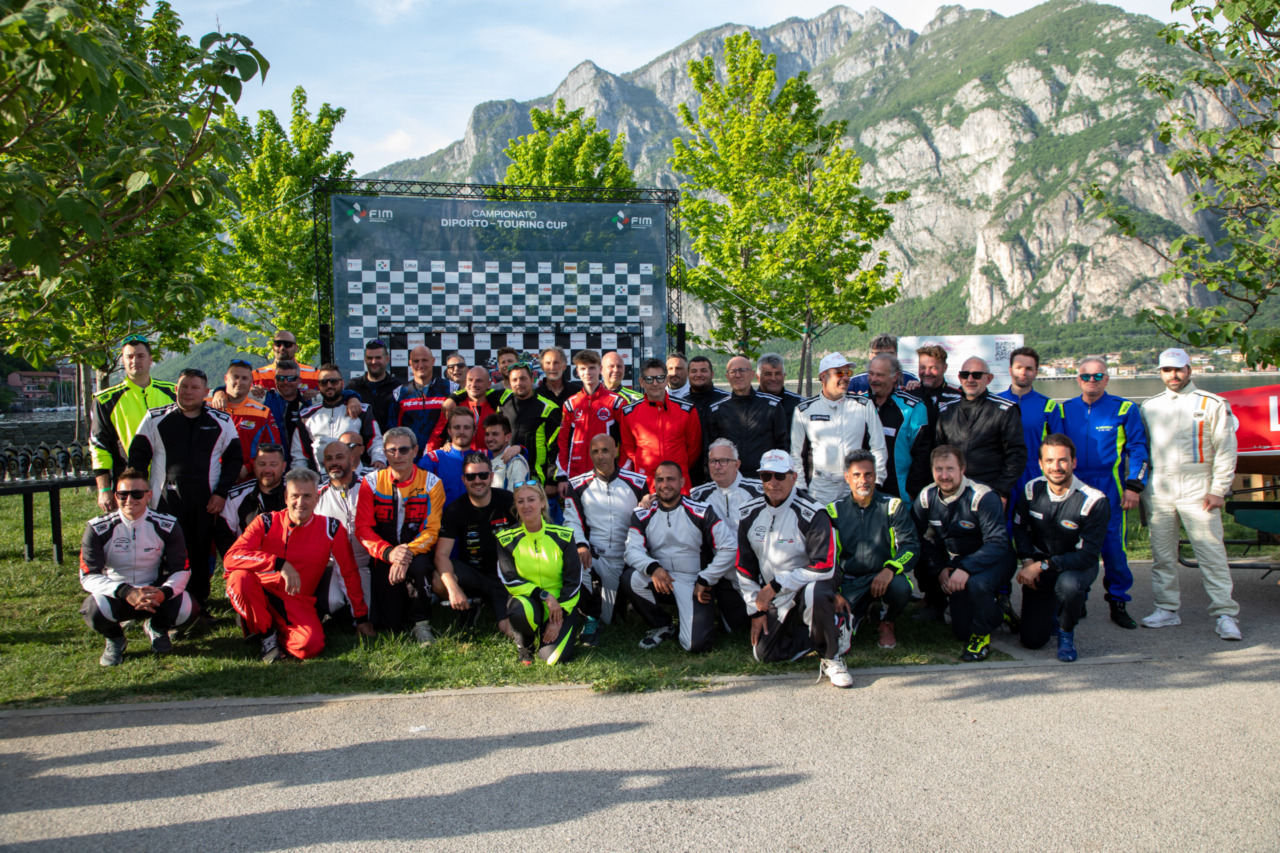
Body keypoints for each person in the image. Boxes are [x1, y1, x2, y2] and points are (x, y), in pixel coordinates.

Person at [1139, 348, 1241, 640]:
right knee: (1162, 554)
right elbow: (1141, 448)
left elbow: (1225, 449)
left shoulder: (1213, 403)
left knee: (1211, 552)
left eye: (1179, 369)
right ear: (1160, 372)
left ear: (1190, 369)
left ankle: (1225, 613)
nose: (1173, 375)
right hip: (1160, 485)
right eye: (1167, 370)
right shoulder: (1149, 406)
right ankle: (1167, 608)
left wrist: (1219, 489)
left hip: (1199, 485)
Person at [224, 468, 375, 662]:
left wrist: (361, 618)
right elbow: (231, 558)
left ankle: (266, 629)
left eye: (307, 496)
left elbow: (348, 573)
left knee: (310, 646)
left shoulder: (332, 528)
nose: (300, 502)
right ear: (286, 497)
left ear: (317, 499)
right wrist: (279, 563)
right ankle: (266, 634)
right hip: (260, 591)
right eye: (295, 496)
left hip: (296, 601)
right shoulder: (266, 521)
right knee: (239, 578)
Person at [128, 368, 243, 608]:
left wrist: (221, 493)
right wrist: (139, 494)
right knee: (164, 552)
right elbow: (137, 457)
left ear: (206, 392)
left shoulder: (221, 421)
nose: (188, 392)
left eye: (194, 388)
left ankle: (198, 604)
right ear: (176, 389)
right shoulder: (154, 418)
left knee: (200, 552)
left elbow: (234, 460)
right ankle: (163, 603)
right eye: (184, 387)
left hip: (205, 500)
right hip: (164, 500)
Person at [735, 450, 852, 687]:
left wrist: (778, 584)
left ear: (794, 477)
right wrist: (755, 611)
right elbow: (744, 566)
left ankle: (831, 656)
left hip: (811, 582)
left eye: (780, 475)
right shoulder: (748, 513)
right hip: (775, 592)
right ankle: (833, 628)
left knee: (815, 592)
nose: (773, 482)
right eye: (766, 476)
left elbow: (824, 566)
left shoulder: (813, 512)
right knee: (764, 654)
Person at [1060, 355, 1148, 629]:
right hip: (1075, 488)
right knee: (1072, 544)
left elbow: (1138, 448)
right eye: (1086, 376)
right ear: (1078, 379)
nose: (1091, 381)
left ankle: (1118, 602)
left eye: (1098, 376)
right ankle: (1078, 597)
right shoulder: (1064, 409)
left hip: (1110, 487)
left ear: (1106, 379)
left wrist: (1134, 486)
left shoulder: (1124, 409)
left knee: (1114, 549)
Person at [78, 469, 196, 666]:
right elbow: (88, 576)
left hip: (153, 592)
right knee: (92, 609)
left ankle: (157, 627)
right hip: (117, 593)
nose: (129, 500)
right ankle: (115, 638)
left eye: (137, 494)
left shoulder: (167, 524)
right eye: (123, 495)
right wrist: (126, 592)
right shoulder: (97, 528)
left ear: (149, 495)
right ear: (116, 496)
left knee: (188, 607)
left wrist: (163, 593)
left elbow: (181, 570)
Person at [912, 445, 1016, 662]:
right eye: (938, 469)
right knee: (961, 631)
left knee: (978, 584)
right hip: (958, 563)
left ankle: (981, 638)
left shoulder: (983, 497)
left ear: (963, 469)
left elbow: (997, 542)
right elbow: (920, 539)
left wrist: (964, 568)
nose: (944, 475)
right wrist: (940, 568)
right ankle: (999, 612)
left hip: (996, 559)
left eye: (950, 468)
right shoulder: (926, 497)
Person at [1012, 434, 1109, 661]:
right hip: (1039, 562)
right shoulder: (1030, 490)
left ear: (1073, 462)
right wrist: (1027, 561)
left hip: (1075, 565)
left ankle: (1066, 632)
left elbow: (1088, 555)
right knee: (1032, 641)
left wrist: (1041, 566)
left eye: (1063, 461)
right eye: (1049, 461)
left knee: (1069, 587)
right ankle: (1055, 609)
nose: (1056, 467)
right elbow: (1020, 529)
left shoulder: (1094, 500)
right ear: (1040, 464)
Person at [624, 461, 738, 652]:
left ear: (682, 481)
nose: (665, 484)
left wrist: (706, 578)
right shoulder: (643, 514)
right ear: (654, 483)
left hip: (693, 581)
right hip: (661, 578)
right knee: (630, 579)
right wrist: (653, 568)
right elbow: (631, 550)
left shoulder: (702, 511)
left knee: (697, 645)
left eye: (671, 479)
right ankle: (663, 625)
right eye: (660, 480)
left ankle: (697, 619)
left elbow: (729, 547)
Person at [355, 426, 447, 641]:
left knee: (421, 566)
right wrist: (389, 553)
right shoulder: (370, 482)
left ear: (415, 451)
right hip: (383, 554)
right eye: (391, 451)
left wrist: (406, 553)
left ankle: (422, 623)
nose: (397, 456)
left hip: (416, 553)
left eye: (404, 450)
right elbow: (363, 528)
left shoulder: (432, 483)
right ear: (384, 453)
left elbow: (432, 530)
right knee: (391, 624)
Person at [828, 450, 919, 651]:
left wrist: (890, 569)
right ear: (847, 478)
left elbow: (911, 546)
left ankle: (887, 621)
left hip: (884, 576)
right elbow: (826, 557)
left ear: (875, 476)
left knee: (901, 588)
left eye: (868, 474)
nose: (863, 480)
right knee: (838, 639)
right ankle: (863, 613)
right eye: (857, 475)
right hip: (850, 581)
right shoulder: (833, 510)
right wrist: (834, 591)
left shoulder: (893, 505)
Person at [564, 434, 650, 638]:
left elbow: (646, 521)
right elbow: (572, 520)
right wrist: (581, 545)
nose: (600, 456)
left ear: (615, 451)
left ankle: (620, 602)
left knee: (609, 619)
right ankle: (589, 616)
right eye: (595, 451)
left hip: (627, 558)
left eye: (605, 450)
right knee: (573, 561)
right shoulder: (577, 485)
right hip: (596, 557)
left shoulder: (638, 483)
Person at [495, 482, 583, 665]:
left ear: (543, 502)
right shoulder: (506, 539)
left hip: (561, 605)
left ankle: (552, 630)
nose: (526, 506)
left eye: (531, 500)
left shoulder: (564, 536)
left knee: (552, 659)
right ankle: (525, 645)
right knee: (518, 609)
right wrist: (544, 596)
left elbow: (574, 581)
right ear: (516, 506)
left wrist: (560, 617)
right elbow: (509, 579)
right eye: (520, 501)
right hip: (529, 600)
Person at [433, 452, 518, 635]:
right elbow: (441, 555)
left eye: (483, 475)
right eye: (471, 476)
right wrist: (453, 589)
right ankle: (469, 605)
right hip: (473, 574)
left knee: (510, 629)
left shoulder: (508, 500)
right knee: (439, 581)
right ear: (464, 479)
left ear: (491, 476)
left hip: (505, 575)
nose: (477, 480)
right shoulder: (455, 510)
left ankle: (495, 608)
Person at [90, 335, 177, 514]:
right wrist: (104, 489)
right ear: (123, 360)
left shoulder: (172, 393)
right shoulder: (105, 400)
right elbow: (100, 447)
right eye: (129, 356)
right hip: (129, 484)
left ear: (151, 359)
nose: (134, 360)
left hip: (169, 482)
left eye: (140, 356)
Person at [791, 352, 888, 504]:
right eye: (839, 373)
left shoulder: (863, 405)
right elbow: (796, 454)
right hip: (821, 487)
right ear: (823, 376)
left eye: (848, 373)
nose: (846, 378)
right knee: (823, 527)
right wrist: (801, 487)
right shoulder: (804, 409)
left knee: (854, 527)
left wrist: (876, 481)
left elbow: (879, 446)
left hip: (856, 484)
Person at [935, 357, 1026, 503]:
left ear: (989, 379)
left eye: (976, 375)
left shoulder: (1005, 410)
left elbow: (1016, 455)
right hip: (953, 493)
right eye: (965, 375)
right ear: (960, 377)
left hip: (990, 493)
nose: (970, 379)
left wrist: (1002, 492)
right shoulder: (946, 410)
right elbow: (938, 452)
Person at [998, 346, 1066, 511]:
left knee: (1034, 529)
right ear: (1010, 370)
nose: (1023, 372)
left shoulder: (1048, 406)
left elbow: (1058, 447)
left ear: (1036, 372)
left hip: (1035, 474)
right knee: (1001, 528)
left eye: (1029, 369)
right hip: (1002, 474)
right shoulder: (995, 402)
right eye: (1019, 367)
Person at [619, 358, 702, 491]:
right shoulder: (629, 413)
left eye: (660, 378)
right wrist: (646, 466)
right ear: (641, 382)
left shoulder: (687, 410)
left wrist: (678, 468)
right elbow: (629, 448)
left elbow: (693, 449)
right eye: (649, 379)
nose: (655, 383)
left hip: (679, 482)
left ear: (667, 380)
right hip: (646, 482)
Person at [861, 353, 932, 501]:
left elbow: (922, 454)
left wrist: (912, 490)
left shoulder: (912, 407)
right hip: (861, 491)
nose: (873, 379)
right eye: (871, 374)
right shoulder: (857, 404)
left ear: (895, 377)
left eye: (880, 375)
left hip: (899, 493)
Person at [316, 438, 373, 618]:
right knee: (333, 603)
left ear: (351, 459)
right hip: (334, 564)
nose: (334, 463)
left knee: (369, 614)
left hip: (366, 563)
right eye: (329, 459)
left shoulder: (370, 486)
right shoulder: (316, 494)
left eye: (339, 457)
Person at [294, 364, 386, 471]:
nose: (329, 385)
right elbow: (299, 454)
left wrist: (378, 460)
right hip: (320, 477)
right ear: (319, 386)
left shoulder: (362, 411)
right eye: (324, 382)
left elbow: (375, 441)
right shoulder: (306, 415)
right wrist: (299, 475)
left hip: (354, 475)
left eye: (334, 381)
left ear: (342, 384)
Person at [707, 356, 788, 477]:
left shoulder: (772, 406)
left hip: (763, 478)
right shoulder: (717, 410)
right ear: (727, 377)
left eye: (742, 370)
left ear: (752, 374)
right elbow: (709, 449)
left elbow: (783, 445)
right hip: (729, 479)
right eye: (733, 371)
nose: (738, 375)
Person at [556, 349, 624, 486]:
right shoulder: (570, 404)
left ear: (600, 369)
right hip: (576, 475)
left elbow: (626, 442)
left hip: (608, 475)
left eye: (592, 368)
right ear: (577, 371)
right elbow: (562, 443)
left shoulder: (616, 402)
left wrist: (622, 471)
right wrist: (562, 475)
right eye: (583, 368)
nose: (587, 373)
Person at [211, 358, 283, 482]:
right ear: (226, 379)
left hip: (244, 481)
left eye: (244, 378)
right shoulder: (207, 406)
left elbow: (273, 448)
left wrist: (248, 467)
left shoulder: (262, 412)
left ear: (251, 382)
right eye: (235, 377)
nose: (239, 382)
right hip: (208, 479)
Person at [215, 443, 287, 555]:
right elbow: (224, 536)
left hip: (290, 563)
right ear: (254, 466)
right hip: (250, 563)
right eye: (262, 464)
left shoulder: (298, 493)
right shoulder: (236, 497)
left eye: (273, 464)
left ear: (283, 467)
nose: (267, 470)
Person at [387, 345, 451, 453]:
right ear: (410, 363)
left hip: (442, 456)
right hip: (410, 458)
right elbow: (393, 431)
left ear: (433, 361)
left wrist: (450, 441)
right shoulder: (399, 393)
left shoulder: (451, 389)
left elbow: (460, 423)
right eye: (416, 361)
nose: (420, 365)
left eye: (424, 360)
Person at [418, 407, 475, 505]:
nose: (462, 432)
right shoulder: (433, 459)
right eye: (457, 427)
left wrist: (511, 449)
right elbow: (416, 493)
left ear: (474, 431)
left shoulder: (486, 457)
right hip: (441, 519)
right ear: (449, 431)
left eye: (467, 427)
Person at [260, 360, 310, 469]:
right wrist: (219, 392)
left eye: (291, 378)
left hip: (305, 469)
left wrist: (352, 397)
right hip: (274, 469)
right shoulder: (265, 400)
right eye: (280, 378)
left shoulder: (310, 402)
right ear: (275, 380)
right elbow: (236, 393)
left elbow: (339, 394)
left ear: (299, 380)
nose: (285, 382)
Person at [434, 366, 497, 451]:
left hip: (491, 461)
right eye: (470, 380)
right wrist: (430, 460)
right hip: (460, 461)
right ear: (465, 382)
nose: (474, 385)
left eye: (479, 381)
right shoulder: (453, 406)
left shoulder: (498, 406)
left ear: (488, 384)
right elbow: (437, 437)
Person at [347, 338, 399, 431]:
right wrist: (351, 398)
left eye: (378, 358)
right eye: (370, 358)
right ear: (365, 360)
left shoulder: (399, 387)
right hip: (360, 443)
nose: (374, 362)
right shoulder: (353, 386)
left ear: (387, 359)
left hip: (389, 442)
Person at [848, 334, 919, 394]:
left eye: (889, 354)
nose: (884, 358)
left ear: (896, 356)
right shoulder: (856, 382)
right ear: (870, 356)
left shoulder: (909, 379)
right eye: (879, 354)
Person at [253, 330, 319, 392]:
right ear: (273, 346)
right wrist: (252, 390)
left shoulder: (314, 374)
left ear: (296, 348)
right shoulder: (257, 375)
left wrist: (317, 394)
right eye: (278, 344)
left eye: (287, 344)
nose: (282, 348)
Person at [914, 344, 961, 425]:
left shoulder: (959, 395)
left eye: (932, 368)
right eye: (922, 367)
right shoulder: (909, 393)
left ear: (944, 368)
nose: (927, 373)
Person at [483, 413, 531, 490]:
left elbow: (515, 497)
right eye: (487, 434)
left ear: (508, 437)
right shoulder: (486, 459)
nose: (489, 439)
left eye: (495, 434)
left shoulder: (515, 461)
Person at [756, 352, 805, 426]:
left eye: (778, 374)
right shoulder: (748, 403)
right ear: (758, 377)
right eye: (768, 374)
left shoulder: (799, 404)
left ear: (784, 376)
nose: (773, 378)